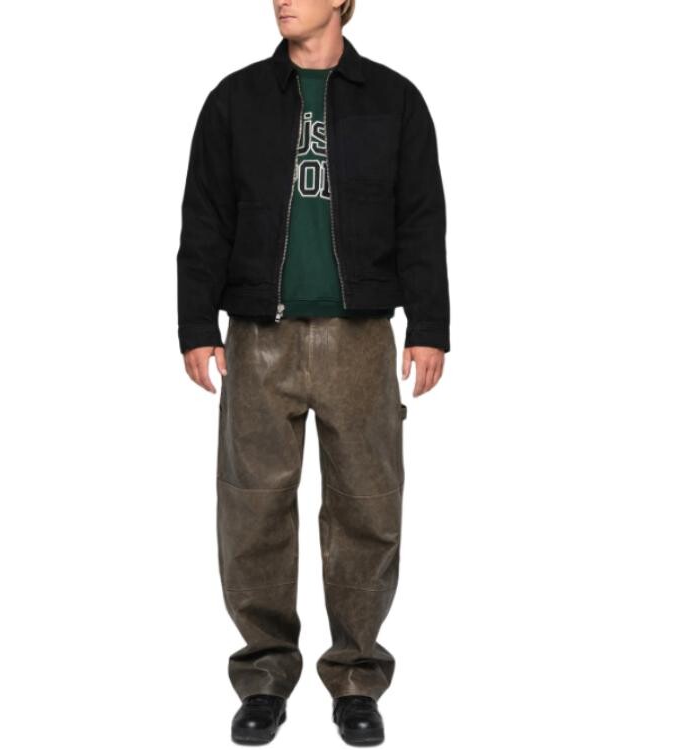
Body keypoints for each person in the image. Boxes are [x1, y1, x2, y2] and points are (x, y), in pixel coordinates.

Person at [176, 0, 450, 744]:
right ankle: (264, 676)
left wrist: (429, 326)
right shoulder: (235, 99)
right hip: (257, 337)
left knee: (367, 509)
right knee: (253, 510)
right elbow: (204, 216)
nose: (282, 0)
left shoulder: (394, 99)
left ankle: (357, 677)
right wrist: (196, 325)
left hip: (360, 337)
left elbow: (421, 216)